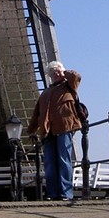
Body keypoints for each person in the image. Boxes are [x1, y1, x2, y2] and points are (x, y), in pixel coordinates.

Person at [28, 61, 83, 200]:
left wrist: (64, 72)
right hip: (48, 130)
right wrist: (31, 130)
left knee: (64, 160)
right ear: (49, 76)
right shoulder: (45, 93)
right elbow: (37, 113)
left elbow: (76, 76)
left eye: (57, 71)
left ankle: (66, 193)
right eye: (53, 72)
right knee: (50, 162)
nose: (56, 74)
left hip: (64, 127)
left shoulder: (69, 86)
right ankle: (52, 193)